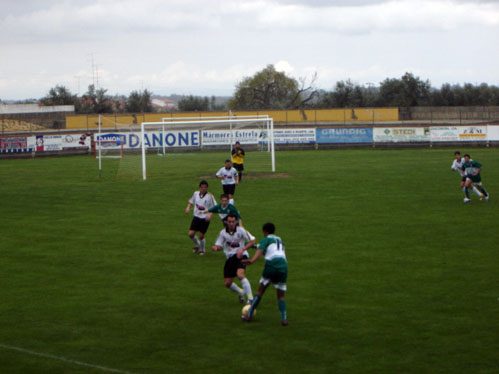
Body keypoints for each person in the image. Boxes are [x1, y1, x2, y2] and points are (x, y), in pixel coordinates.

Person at [242, 222, 288, 326]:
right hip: (283, 266)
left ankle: (248, 315)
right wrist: (248, 245)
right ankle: (284, 318)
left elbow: (260, 249)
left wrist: (252, 260)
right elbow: (263, 248)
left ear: (265, 232)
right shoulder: (279, 240)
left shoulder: (265, 239)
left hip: (272, 264)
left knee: (260, 290)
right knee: (281, 295)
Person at [211, 214, 255, 304]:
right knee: (227, 283)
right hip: (230, 258)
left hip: (241, 255)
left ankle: (251, 299)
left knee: (240, 275)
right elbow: (219, 246)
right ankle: (241, 292)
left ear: (236, 222)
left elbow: (252, 241)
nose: (231, 223)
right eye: (229, 221)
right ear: (226, 222)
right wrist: (216, 248)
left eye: (233, 221)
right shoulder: (222, 233)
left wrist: (243, 249)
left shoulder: (241, 230)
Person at [185, 180, 217, 255]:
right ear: (200, 187)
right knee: (191, 234)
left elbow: (215, 208)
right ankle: (198, 245)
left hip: (205, 218)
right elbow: (191, 201)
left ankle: (202, 249)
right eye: (202, 187)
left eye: (205, 187)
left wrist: (210, 215)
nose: (203, 189)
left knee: (201, 236)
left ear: (207, 188)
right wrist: (188, 208)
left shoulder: (210, 196)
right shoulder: (195, 194)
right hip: (196, 217)